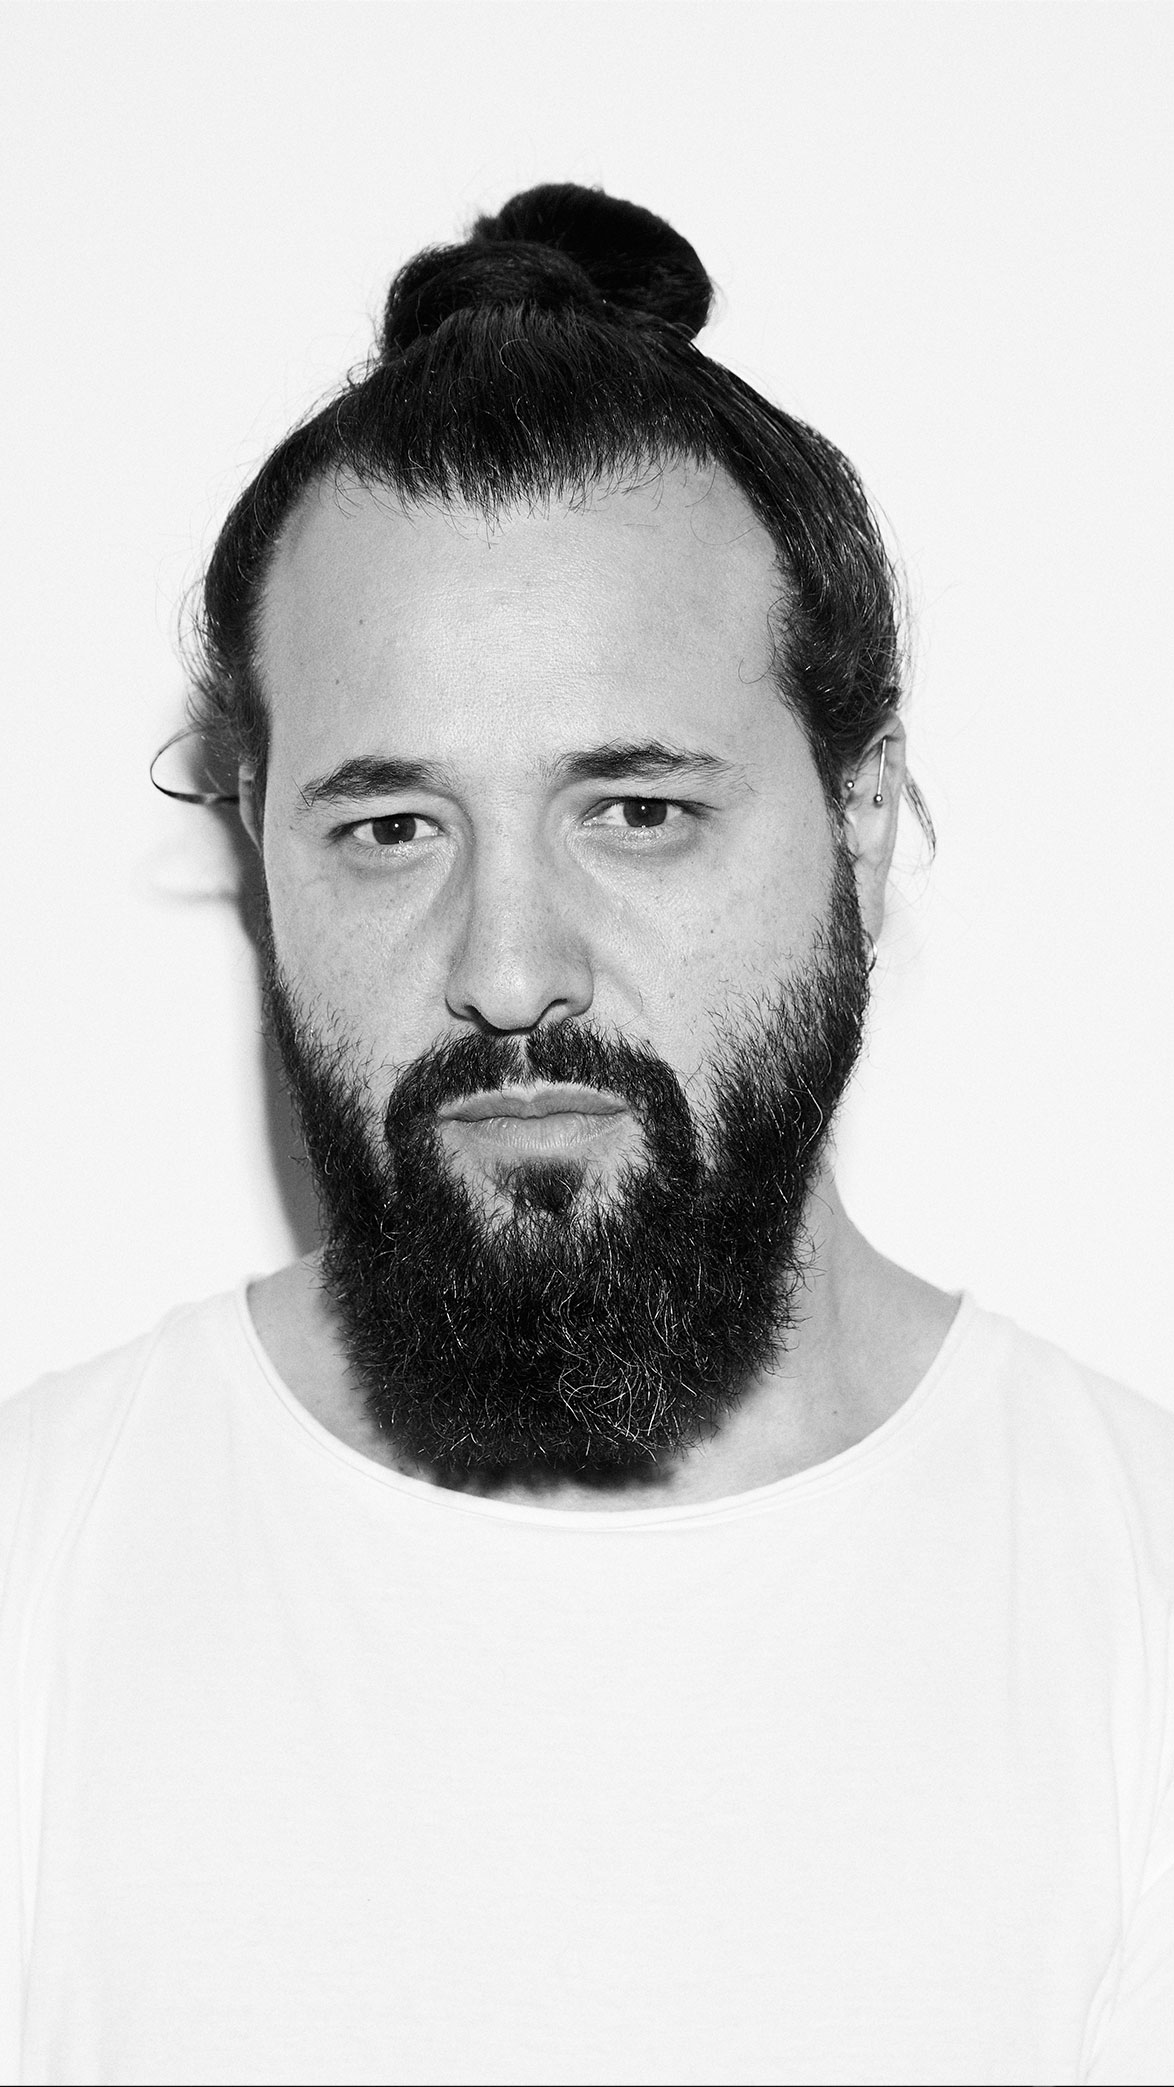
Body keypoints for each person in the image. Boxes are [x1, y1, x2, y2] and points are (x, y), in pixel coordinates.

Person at [1, 183, 1170, 2087]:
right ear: (255, 851)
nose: (506, 967)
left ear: (858, 819)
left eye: (633, 808)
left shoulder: (1135, 1615)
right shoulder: (34, 1579)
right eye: (390, 828)